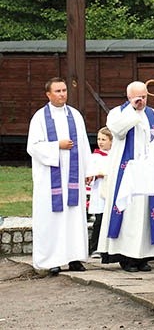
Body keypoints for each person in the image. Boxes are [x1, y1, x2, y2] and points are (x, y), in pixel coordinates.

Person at [98, 81, 154, 272]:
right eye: (137, 97)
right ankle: (126, 257)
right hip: (126, 172)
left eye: (144, 96)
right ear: (128, 97)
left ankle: (143, 257)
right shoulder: (118, 113)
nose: (141, 100)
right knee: (128, 214)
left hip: (146, 171)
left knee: (145, 214)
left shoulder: (153, 114)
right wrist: (133, 112)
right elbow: (118, 132)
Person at [26, 77, 92, 275]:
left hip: (73, 176)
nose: (62, 94)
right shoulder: (39, 118)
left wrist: (89, 170)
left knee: (73, 217)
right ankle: (52, 259)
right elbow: (33, 147)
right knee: (52, 218)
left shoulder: (75, 115)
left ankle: (74, 258)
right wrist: (57, 146)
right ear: (48, 94)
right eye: (58, 91)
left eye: (64, 90)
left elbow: (84, 144)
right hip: (50, 178)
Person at [87, 126, 113, 258]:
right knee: (99, 220)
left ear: (111, 141)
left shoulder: (115, 156)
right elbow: (89, 173)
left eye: (104, 139)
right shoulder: (95, 156)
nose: (100, 142)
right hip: (99, 190)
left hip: (111, 190)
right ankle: (95, 247)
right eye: (99, 139)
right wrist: (96, 174)